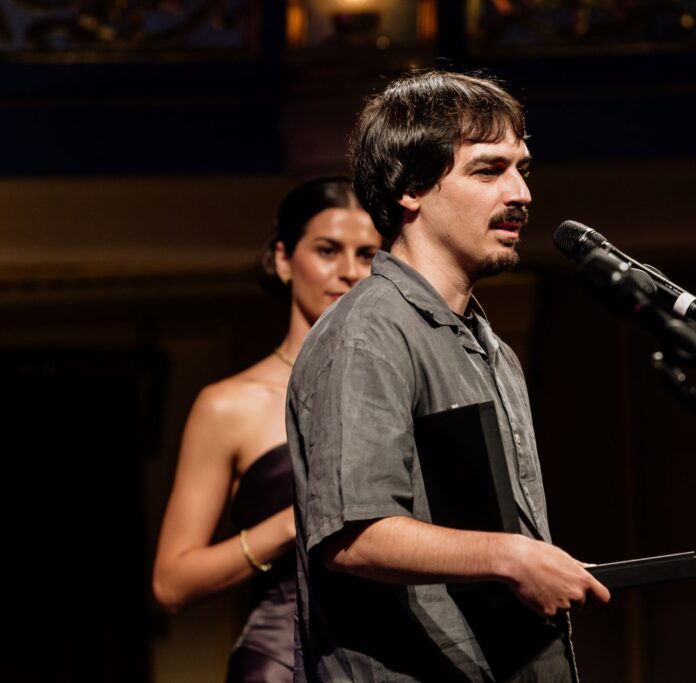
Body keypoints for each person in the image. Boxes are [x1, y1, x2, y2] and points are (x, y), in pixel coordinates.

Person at [287, 70, 610, 683]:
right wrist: (511, 556)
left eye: (522, 169)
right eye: (489, 171)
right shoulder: (368, 332)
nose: (521, 193)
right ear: (410, 187)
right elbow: (355, 535)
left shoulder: (491, 348)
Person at [152, 177, 381, 682]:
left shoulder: (399, 395)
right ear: (283, 259)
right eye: (327, 250)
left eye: (367, 255)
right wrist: (293, 523)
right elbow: (171, 582)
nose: (349, 270)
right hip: (284, 662)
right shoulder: (229, 404)